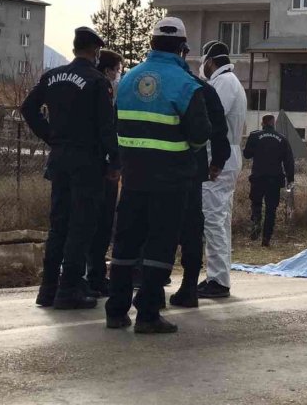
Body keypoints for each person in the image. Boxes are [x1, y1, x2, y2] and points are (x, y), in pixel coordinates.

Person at [105, 17, 211, 334]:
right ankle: (148, 314)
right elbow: (200, 134)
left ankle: (116, 310)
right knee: (159, 245)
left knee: (125, 243)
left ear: (151, 44)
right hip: (171, 179)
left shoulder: (127, 81)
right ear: (182, 48)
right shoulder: (187, 85)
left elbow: (115, 127)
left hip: (133, 177)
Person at [21, 26, 117, 310]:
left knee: (58, 224)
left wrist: (50, 135)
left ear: (75, 47)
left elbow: (28, 108)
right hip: (87, 161)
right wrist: (115, 160)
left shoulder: (51, 77)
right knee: (82, 224)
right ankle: (70, 288)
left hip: (59, 158)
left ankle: (48, 288)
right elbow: (106, 126)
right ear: (95, 50)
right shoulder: (97, 81)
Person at [169, 42, 231, 309]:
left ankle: (215, 280)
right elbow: (214, 126)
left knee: (208, 221)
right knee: (194, 225)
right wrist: (217, 158)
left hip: (153, 167)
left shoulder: (138, 79)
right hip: (191, 166)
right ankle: (190, 286)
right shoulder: (201, 86)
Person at [198, 41, 247, 299]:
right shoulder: (228, 81)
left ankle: (218, 280)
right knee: (220, 218)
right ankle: (219, 276)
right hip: (227, 154)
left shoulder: (224, 83)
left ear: (210, 61)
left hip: (220, 157)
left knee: (213, 218)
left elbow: (211, 119)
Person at [85, 48, 124, 297]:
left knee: (86, 224)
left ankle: (90, 276)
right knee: (100, 225)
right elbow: (108, 130)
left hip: (84, 165)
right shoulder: (103, 90)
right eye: (117, 70)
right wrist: (116, 163)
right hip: (102, 168)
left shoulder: (85, 87)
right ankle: (95, 277)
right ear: (109, 70)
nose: (118, 75)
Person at [243, 114, 295, 247]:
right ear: (273, 123)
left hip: (258, 177)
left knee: (256, 203)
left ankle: (256, 223)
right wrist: (290, 179)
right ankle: (266, 238)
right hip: (275, 179)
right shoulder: (282, 139)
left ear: (262, 123)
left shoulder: (254, 136)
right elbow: (288, 161)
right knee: (271, 208)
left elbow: (247, 154)